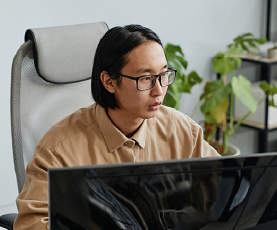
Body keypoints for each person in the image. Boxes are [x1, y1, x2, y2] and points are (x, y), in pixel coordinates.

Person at [14, 24, 220, 229]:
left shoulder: (182, 131)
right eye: (146, 78)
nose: (159, 90)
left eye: (163, 75)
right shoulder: (59, 149)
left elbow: (224, 191)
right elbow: (31, 224)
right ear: (109, 82)